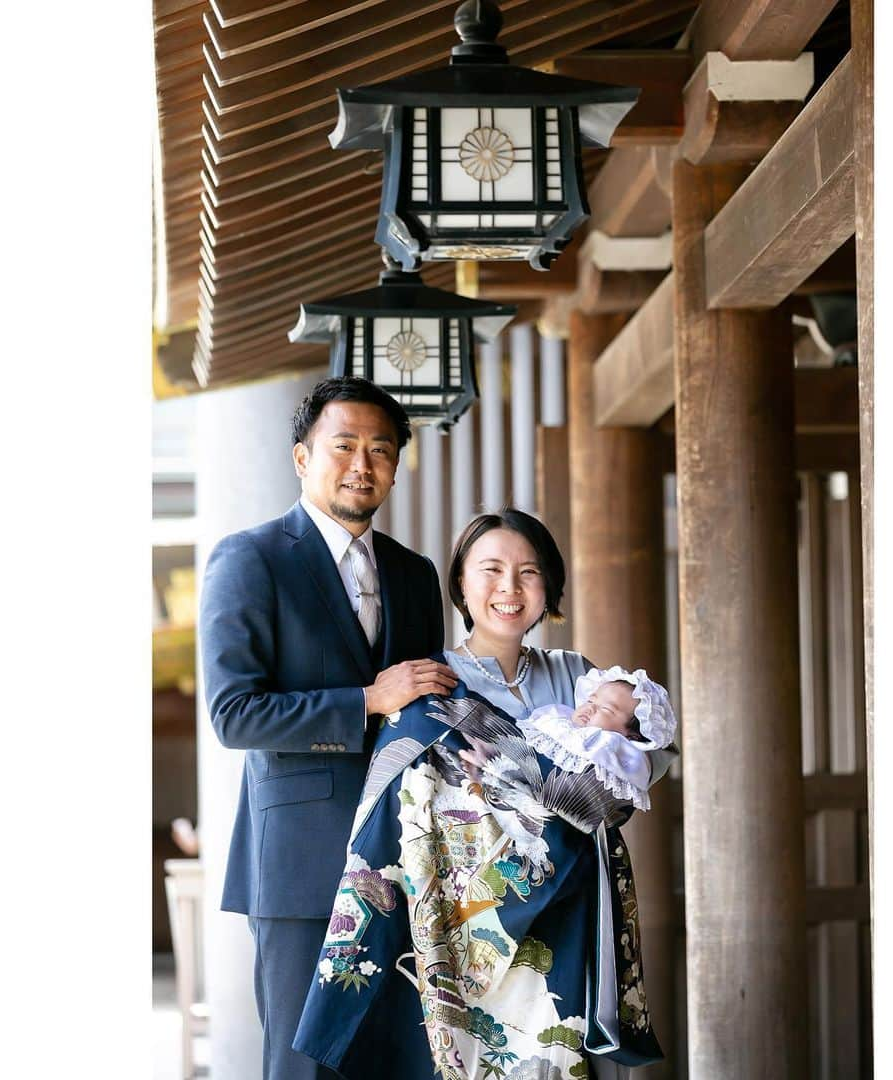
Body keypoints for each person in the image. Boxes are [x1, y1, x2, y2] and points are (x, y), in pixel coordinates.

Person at [291, 508, 675, 1078]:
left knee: (549, 1056)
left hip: (561, 912)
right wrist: (535, 783)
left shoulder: (581, 676)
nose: (509, 588)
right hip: (460, 914)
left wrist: (513, 773)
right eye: (490, 570)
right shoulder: (430, 681)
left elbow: (627, 777)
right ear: (461, 585)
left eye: (528, 572)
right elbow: (408, 795)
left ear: (549, 586)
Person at [199, 376, 457, 1080]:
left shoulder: (413, 573)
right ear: (302, 458)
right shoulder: (251, 559)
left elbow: (428, 712)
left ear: (397, 466)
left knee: (401, 1062)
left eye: (380, 449)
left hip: (406, 864)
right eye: (342, 446)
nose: (361, 464)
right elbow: (234, 714)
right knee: (305, 1066)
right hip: (300, 868)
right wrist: (367, 699)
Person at [517, 665, 677, 811]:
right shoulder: (559, 719)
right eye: (590, 700)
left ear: (631, 736)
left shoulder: (611, 748)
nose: (591, 707)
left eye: (606, 709)